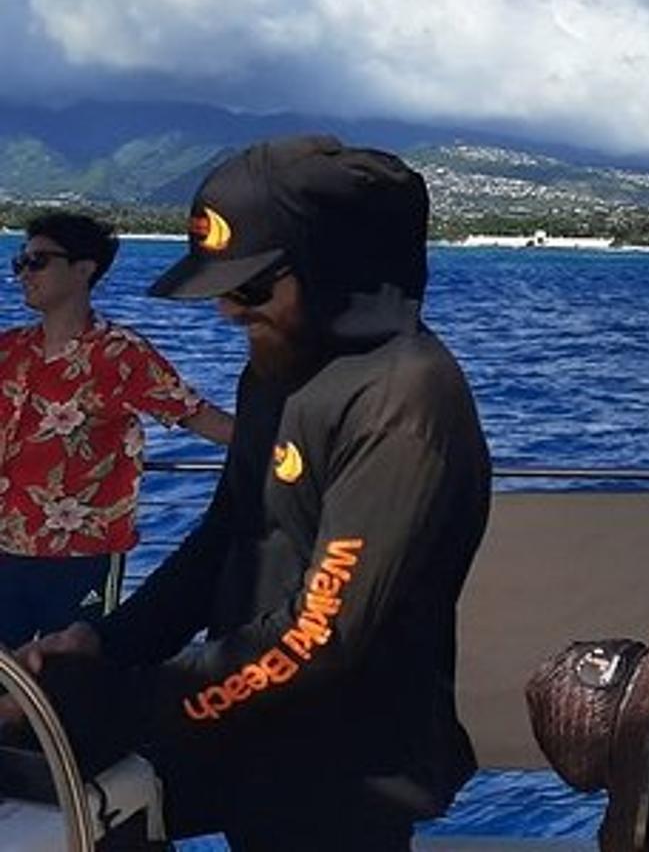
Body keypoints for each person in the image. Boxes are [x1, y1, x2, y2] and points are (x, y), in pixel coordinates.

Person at [14, 135, 493, 850]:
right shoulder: (274, 370)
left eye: (251, 287)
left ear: (335, 271)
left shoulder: (405, 399)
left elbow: (319, 636)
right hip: (251, 726)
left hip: (345, 761)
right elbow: (225, 536)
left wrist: (130, 702)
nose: (230, 313)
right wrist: (103, 644)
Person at [0, 212, 233, 648]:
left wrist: (296, 444)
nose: (23, 272)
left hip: (81, 555)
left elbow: (197, 416)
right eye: (21, 262)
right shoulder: (9, 351)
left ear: (84, 269)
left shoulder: (121, 355)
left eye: (38, 261)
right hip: (4, 551)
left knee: (75, 679)